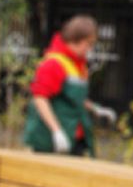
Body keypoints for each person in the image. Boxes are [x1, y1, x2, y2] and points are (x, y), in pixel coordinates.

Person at [24, 15, 116, 157]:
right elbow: (40, 98)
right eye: (89, 44)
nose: (90, 49)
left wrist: (96, 109)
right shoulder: (54, 64)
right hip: (51, 141)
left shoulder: (78, 65)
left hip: (74, 137)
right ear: (77, 39)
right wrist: (56, 131)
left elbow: (73, 98)